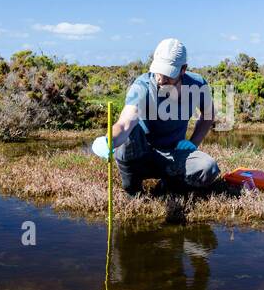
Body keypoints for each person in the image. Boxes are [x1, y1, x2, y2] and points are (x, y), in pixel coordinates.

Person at [95, 38, 222, 196]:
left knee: (208, 167)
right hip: (141, 154)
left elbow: (208, 114)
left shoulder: (197, 85)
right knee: (129, 136)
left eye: (168, 74)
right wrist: (109, 140)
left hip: (174, 153)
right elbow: (125, 124)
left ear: (183, 69)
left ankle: (169, 185)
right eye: (158, 72)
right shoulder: (142, 85)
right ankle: (132, 190)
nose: (161, 79)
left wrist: (193, 143)